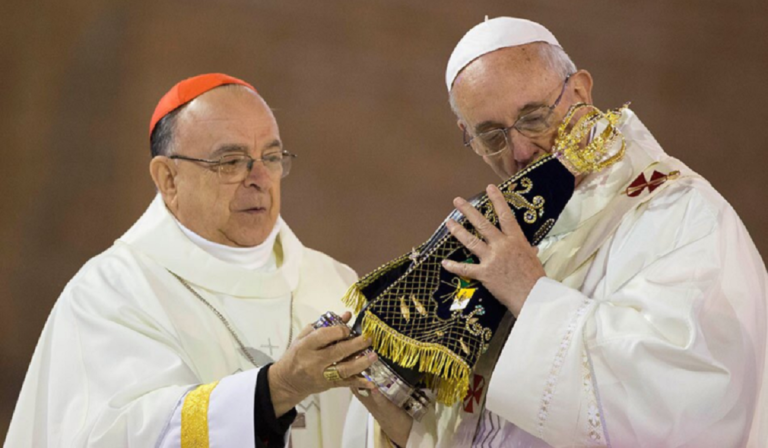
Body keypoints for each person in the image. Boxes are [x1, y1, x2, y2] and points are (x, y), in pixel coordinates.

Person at [344, 17, 768, 447]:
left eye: (533, 117)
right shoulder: (489, 229)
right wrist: (408, 433)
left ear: (581, 91)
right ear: (465, 135)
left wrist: (532, 295)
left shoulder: (681, 214)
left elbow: (686, 404)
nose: (521, 152)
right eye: (491, 136)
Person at [5, 73, 377, 447]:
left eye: (271, 157)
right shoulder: (112, 292)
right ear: (169, 179)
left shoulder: (334, 284)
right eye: (231, 161)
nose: (261, 178)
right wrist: (276, 388)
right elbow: (118, 436)